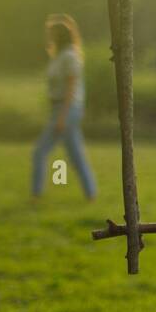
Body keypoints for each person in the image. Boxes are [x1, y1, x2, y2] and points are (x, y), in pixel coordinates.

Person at [31, 14, 96, 201]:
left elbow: (71, 88)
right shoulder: (59, 56)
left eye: (51, 33)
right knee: (75, 155)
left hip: (66, 109)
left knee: (39, 152)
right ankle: (91, 193)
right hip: (61, 109)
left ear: (59, 35)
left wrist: (62, 116)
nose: (48, 37)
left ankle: (36, 195)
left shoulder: (69, 56)